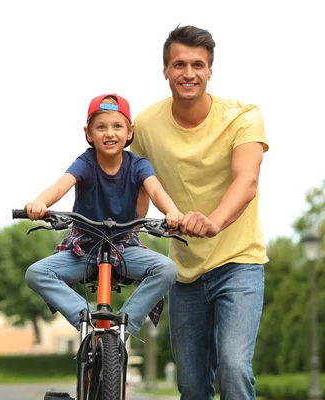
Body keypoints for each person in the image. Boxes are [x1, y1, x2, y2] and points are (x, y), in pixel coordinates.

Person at [131, 25, 270, 399]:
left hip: (239, 263)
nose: (188, 73)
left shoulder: (243, 117)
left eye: (197, 65)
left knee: (234, 368)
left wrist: (213, 222)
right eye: (179, 64)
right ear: (165, 70)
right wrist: (126, 239)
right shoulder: (144, 125)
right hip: (186, 273)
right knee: (191, 385)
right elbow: (137, 183)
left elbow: (247, 181)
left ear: (210, 70)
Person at [24, 93, 183, 335]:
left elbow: (156, 190)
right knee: (36, 273)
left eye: (117, 126)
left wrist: (172, 212)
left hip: (124, 247)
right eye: (101, 127)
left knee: (167, 269)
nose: (109, 133)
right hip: (84, 249)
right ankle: (86, 321)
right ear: (88, 133)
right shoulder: (86, 163)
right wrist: (39, 204)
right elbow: (60, 186)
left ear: (130, 132)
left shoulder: (138, 165)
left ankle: (123, 327)